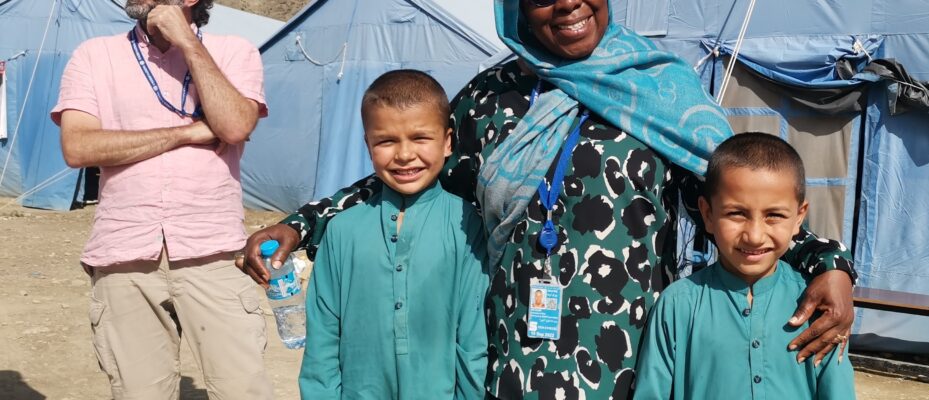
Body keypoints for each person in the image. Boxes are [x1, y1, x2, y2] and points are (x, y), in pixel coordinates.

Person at [238, 0, 857, 397]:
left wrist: (827, 263)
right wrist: (305, 223)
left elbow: (738, 197)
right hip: (514, 349)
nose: (564, 4)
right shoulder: (491, 97)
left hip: (631, 352)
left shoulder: (661, 87)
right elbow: (417, 173)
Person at [51, 0, 269, 398]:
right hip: (124, 254)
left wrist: (187, 41)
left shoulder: (235, 51)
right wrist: (185, 134)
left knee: (243, 390)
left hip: (213, 252)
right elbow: (78, 147)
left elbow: (234, 125)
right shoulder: (94, 56)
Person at [299, 70, 488, 399]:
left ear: (447, 142)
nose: (403, 155)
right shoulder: (342, 230)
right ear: (367, 144)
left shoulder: (465, 222)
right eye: (386, 141)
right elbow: (323, 341)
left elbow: (474, 341)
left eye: (420, 138)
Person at [633, 133, 856, 400]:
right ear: (708, 214)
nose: (754, 235)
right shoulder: (677, 305)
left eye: (774, 215)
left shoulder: (818, 306)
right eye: (736, 213)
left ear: (799, 218)